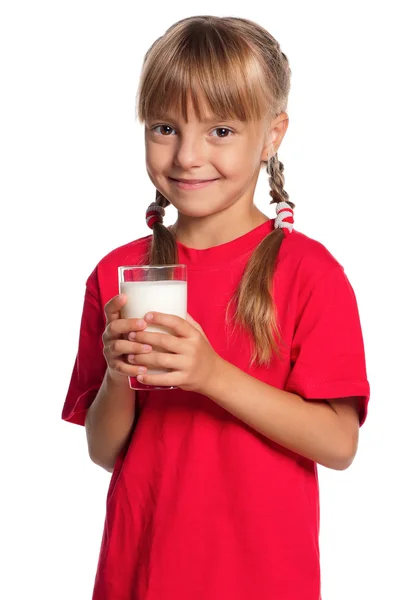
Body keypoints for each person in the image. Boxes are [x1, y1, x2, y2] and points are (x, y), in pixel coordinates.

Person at [62, 15, 370, 600]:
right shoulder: (116, 273)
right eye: (164, 127)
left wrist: (211, 375)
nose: (187, 155)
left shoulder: (309, 273)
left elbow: (339, 444)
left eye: (221, 130)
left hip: (260, 577)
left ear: (273, 135)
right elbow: (105, 452)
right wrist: (123, 376)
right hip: (141, 568)